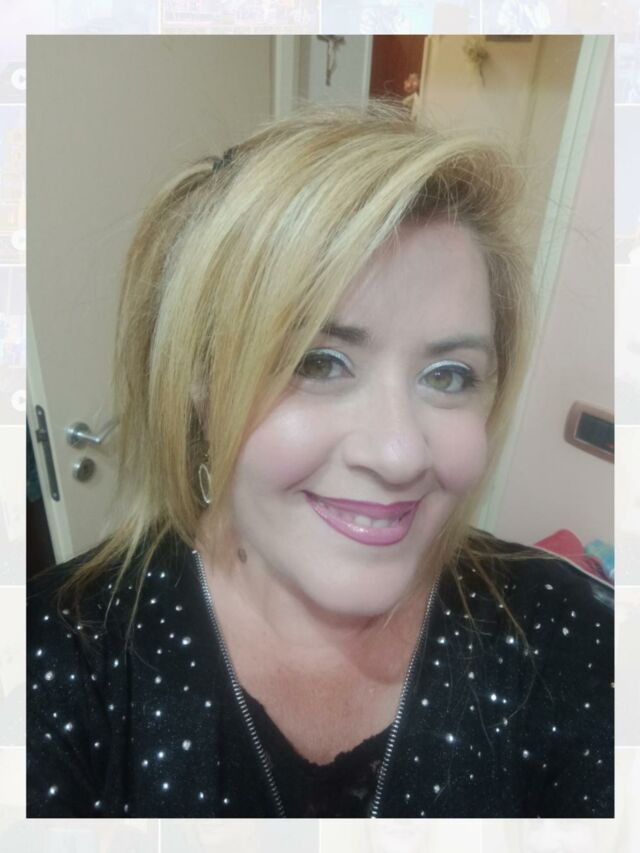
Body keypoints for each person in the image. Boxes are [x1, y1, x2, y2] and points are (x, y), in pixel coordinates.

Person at [27, 103, 613, 819]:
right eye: (318, 362)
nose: (399, 455)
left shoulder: (572, 634)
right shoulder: (54, 659)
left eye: (449, 375)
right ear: (200, 386)